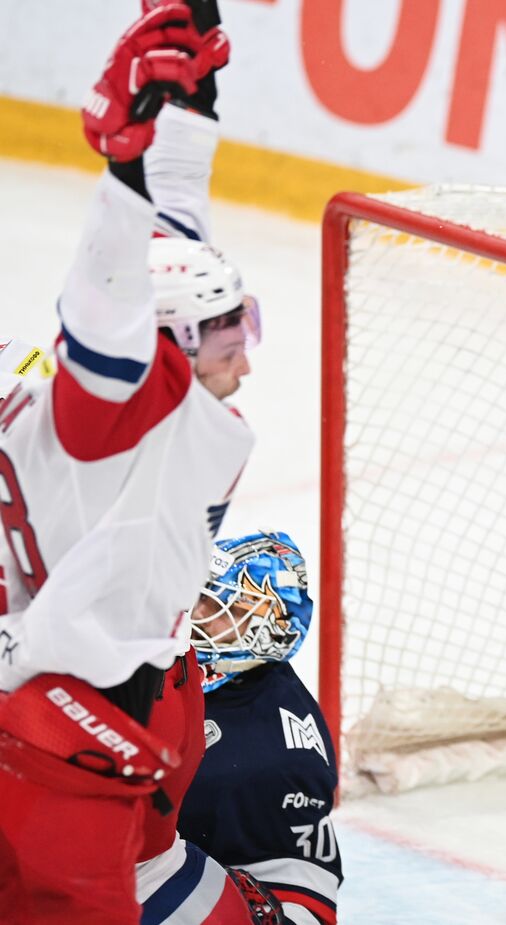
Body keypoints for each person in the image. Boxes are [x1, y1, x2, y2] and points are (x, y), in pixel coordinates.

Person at [0, 4, 256, 923]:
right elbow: (107, 312)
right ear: (173, 344)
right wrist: (119, 179)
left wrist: (188, 118)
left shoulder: (154, 378)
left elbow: (167, 258)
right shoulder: (112, 416)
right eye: (225, 330)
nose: (245, 350)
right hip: (61, 726)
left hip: (77, 693)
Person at [168, 531, 341, 925]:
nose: (192, 616)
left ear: (263, 625)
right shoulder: (250, 683)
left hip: (272, 902)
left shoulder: (266, 750)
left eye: (211, 604)